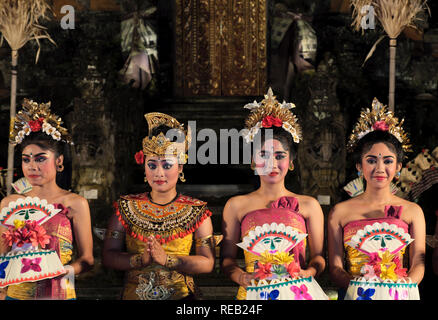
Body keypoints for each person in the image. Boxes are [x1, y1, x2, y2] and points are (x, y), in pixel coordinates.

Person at [221, 89, 327, 300]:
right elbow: (226, 261)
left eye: (280, 156)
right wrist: (241, 277)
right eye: (264, 155)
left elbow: (318, 257)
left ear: (292, 162)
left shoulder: (309, 205)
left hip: (298, 291)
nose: (272, 163)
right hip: (253, 292)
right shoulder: (236, 206)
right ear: (253, 161)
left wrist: (309, 272)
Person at [102, 112, 215, 300]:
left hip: (181, 296)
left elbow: (208, 263)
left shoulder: (197, 211)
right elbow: (108, 256)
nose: (159, 173)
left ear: (180, 167)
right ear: (144, 167)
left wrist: (169, 260)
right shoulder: (126, 207)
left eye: (167, 165)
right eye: (152, 165)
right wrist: (139, 260)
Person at [328, 98, 426, 300]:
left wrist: (401, 286)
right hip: (355, 294)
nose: (380, 169)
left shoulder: (412, 211)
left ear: (398, 167)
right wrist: (363, 288)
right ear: (358, 166)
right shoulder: (340, 212)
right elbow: (336, 267)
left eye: (388, 161)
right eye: (371, 161)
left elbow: (418, 263)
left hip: (398, 293)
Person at [0, 99, 94, 300]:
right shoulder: (11, 204)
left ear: (59, 161)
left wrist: (63, 271)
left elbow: (87, 260)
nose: (32, 166)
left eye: (40, 158)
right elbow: (2, 256)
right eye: (26, 159)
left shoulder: (75, 204)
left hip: (60, 292)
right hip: (18, 295)